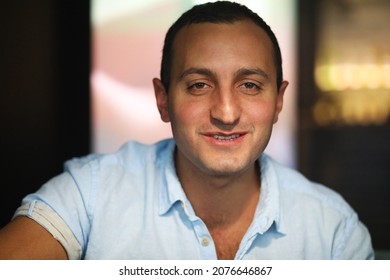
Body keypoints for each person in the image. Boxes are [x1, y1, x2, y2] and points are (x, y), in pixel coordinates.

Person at [0, 1, 373, 260]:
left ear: (278, 101)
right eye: (199, 85)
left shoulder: (333, 230)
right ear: (163, 100)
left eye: (250, 85)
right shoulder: (91, 194)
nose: (226, 113)